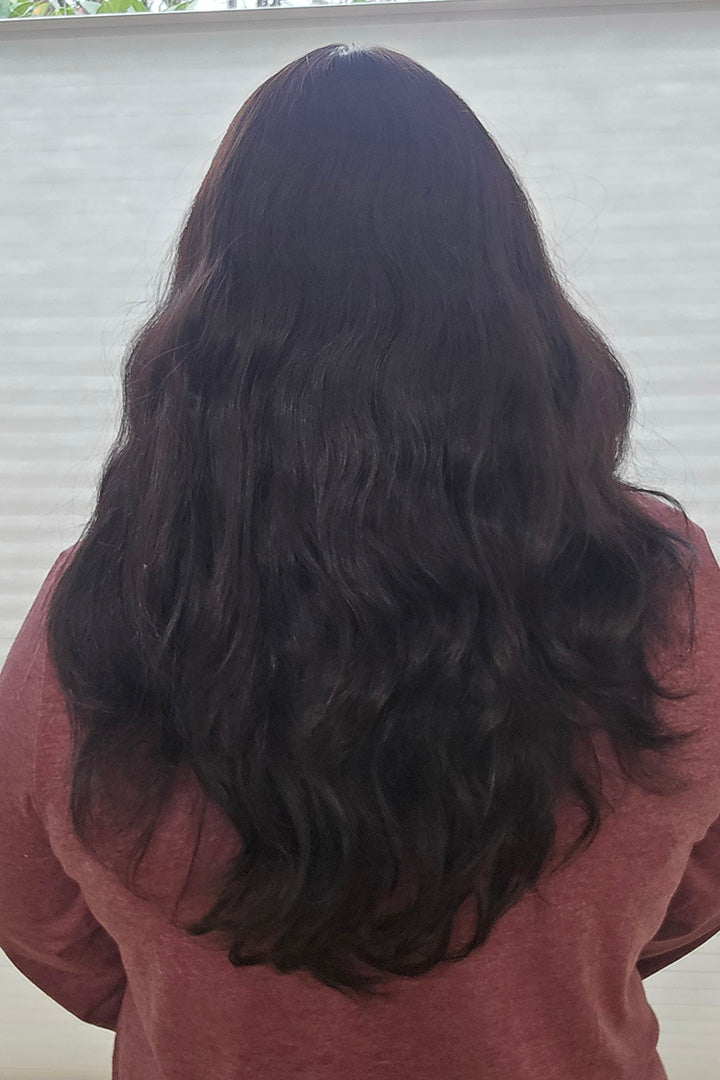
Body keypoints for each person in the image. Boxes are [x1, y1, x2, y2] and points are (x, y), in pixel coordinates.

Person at [1, 41, 719, 1080]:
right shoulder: (666, 590)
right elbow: (690, 888)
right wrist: (547, 971)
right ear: (510, 298)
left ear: (215, 313)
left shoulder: (116, 600)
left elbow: (45, 922)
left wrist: (200, 996)